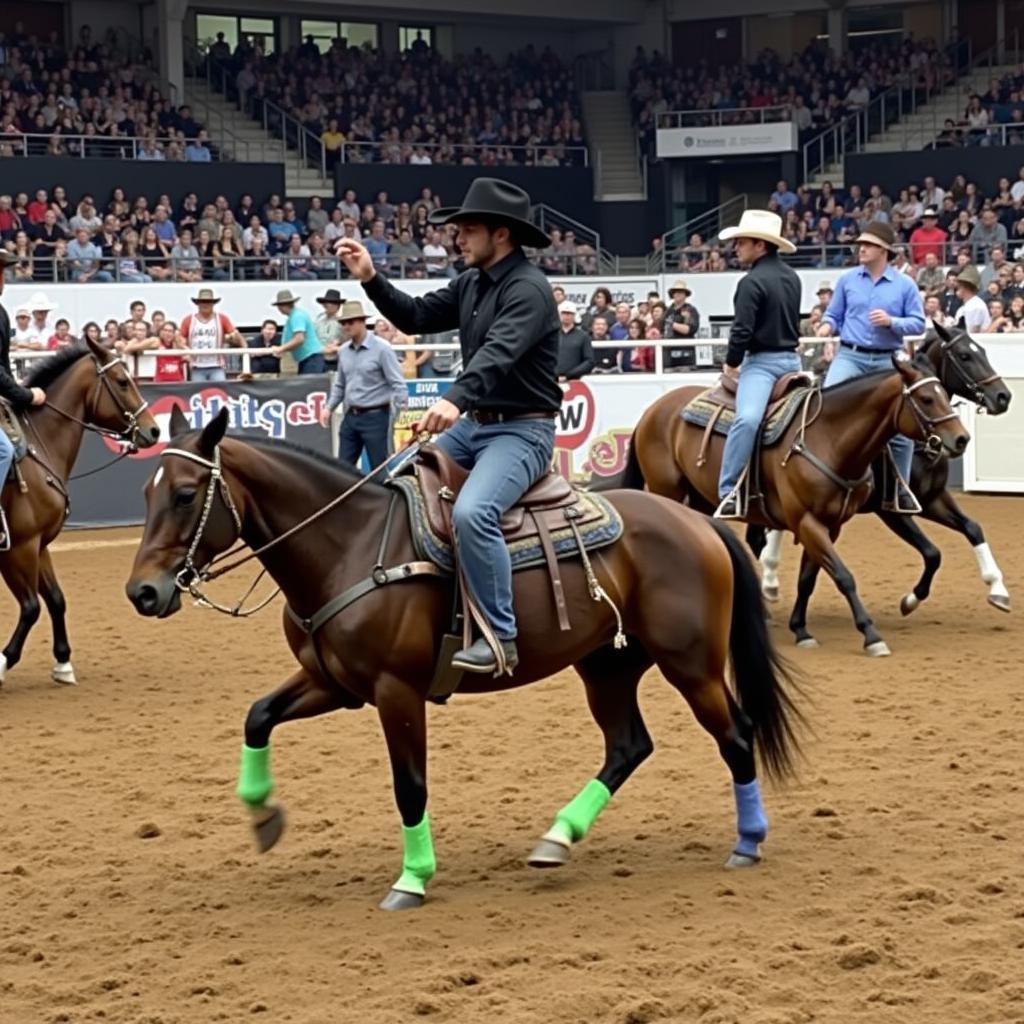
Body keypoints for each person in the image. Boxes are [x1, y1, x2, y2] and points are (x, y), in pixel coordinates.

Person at [337, 178, 560, 675]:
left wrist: (454, 400)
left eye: (468, 230)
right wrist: (371, 277)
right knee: (396, 488)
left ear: (501, 234)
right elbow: (415, 317)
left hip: (522, 431)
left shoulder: (529, 290)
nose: (456, 238)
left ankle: (500, 636)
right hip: (477, 426)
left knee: (472, 513)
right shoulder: (471, 283)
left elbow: (498, 354)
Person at [816, 221, 926, 513]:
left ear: (884, 250)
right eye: (860, 244)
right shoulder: (847, 280)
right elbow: (834, 314)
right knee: (825, 407)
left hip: (886, 360)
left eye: (867, 244)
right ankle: (824, 476)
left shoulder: (905, 285)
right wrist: (827, 326)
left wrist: (893, 322)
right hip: (850, 356)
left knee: (903, 424)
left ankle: (900, 488)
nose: (860, 248)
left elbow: (918, 323)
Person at [712, 210, 801, 519]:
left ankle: (728, 491)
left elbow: (742, 330)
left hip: (762, 365)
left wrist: (732, 362)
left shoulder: (751, 282)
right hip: (793, 362)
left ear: (760, 245)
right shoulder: (793, 277)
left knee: (747, 420)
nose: (736, 247)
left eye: (742, 242)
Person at [319, 298, 407, 468]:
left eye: (350, 322)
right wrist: (328, 407)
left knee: (380, 469)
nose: (346, 326)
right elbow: (340, 385)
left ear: (362, 322)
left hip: (377, 416)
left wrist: (398, 411)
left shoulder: (382, 348)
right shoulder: (344, 351)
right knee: (343, 468)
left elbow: (397, 382)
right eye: (343, 323)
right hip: (351, 416)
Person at [0, 252, 47, 549]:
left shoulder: (2, 312)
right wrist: (26, 395)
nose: (4, 277)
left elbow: (1, 364)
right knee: (4, 450)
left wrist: (14, 389)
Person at [179, 288, 245, 382]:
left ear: (213, 304)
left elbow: (236, 335)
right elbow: (179, 339)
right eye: (202, 302)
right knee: (199, 393)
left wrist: (240, 343)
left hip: (216, 365)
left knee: (220, 391)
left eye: (208, 302)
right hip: (197, 365)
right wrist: (186, 351)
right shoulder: (188, 320)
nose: (205, 304)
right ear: (198, 304)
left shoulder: (222, 319)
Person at [269, 290, 327, 374]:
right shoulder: (295, 315)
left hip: (311, 358)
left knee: (309, 385)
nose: (279, 309)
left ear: (283, 306)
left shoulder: (297, 316)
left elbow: (299, 339)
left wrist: (281, 349)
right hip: (307, 358)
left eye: (279, 306)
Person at [555, 300, 594, 380]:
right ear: (559, 314)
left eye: (569, 313)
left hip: (576, 381)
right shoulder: (552, 336)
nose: (567, 316)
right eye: (564, 313)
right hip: (552, 380)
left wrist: (569, 375)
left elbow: (589, 361)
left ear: (574, 315)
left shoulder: (583, 336)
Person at [953, 265, 991, 333]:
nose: (956, 290)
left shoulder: (975, 306)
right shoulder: (966, 306)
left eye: (959, 287)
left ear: (965, 287)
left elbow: (972, 331)